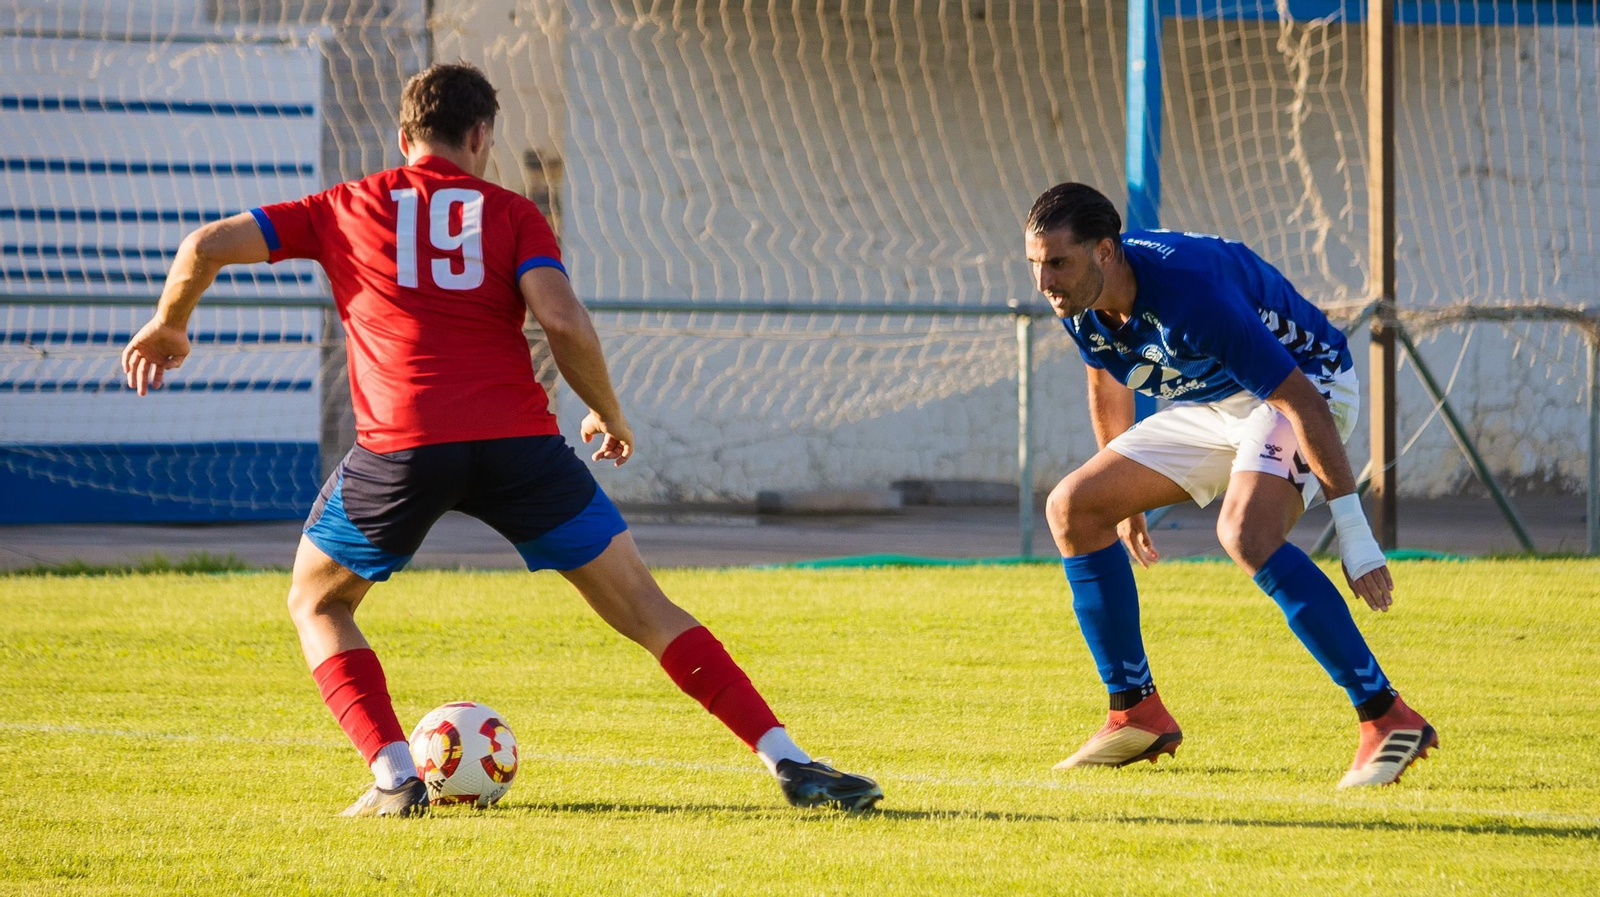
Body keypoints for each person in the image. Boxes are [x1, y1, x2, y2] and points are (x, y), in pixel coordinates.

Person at [120, 62, 882, 816]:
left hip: (404, 446)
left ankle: (394, 776)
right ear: (481, 134)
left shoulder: (342, 206)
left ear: (402, 135)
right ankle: (787, 759)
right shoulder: (513, 213)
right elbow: (563, 320)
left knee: (317, 601)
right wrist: (609, 414)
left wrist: (171, 323)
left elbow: (205, 244)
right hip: (520, 443)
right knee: (648, 609)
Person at [1024, 182, 1436, 788]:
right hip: (1218, 398)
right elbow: (1108, 381)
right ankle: (1134, 709)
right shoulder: (1079, 298)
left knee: (1245, 533)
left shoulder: (1192, 294)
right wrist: (1122, 502)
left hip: (1307, 386)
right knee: (1074, 508)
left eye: (1057, 262)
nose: (1044, 281)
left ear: (1106, 251)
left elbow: (1302, 405)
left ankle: (1386, 716)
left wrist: (1354, 533)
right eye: (1034, 263)